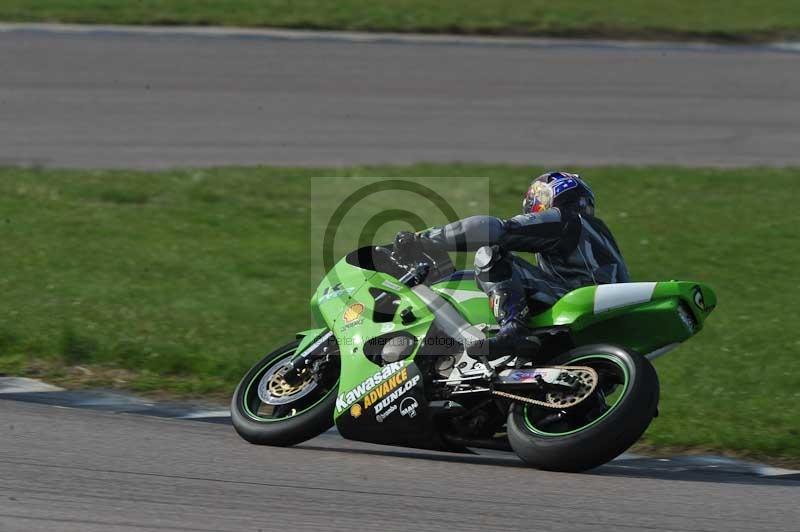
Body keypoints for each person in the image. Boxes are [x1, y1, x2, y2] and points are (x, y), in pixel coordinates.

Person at [397, 171, 630, 359]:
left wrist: (426, 239)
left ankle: (512, 327)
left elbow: (496, 231)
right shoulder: (597, 234)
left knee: (491, 253)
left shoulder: (565, 220)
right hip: (609, 319)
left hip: (577, 298)